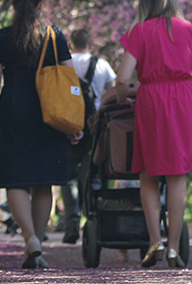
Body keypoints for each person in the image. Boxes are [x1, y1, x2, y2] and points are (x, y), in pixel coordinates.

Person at [116, 0, 192, 269]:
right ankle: (174, 248)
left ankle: (154, 241)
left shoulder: (138, 31)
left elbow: (123, 78)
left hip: (151, 100)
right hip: (184, 99)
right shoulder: (188, 30)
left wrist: (124, 98)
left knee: (148, 173)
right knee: (178, 174)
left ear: (144, 2)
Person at [0, 0, 83, 269]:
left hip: (13, 107)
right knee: (43, 180)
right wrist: (74, 121)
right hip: (48, 111)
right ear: (41, 5)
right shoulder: (55, 36)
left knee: (15, 178)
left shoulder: (1, 37)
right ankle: (36, 240)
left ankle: (30, 241)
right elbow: (69, 78)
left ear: (13, 5)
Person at [60, 29, 117, 244]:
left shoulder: (63, 62)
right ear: (90, 45)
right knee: (90, 174)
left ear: (70, 45)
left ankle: (71, 224)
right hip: (93, 127)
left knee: (67, 177)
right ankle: (91, 218)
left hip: (66, 125)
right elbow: (111, 96)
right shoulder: (101, 65)